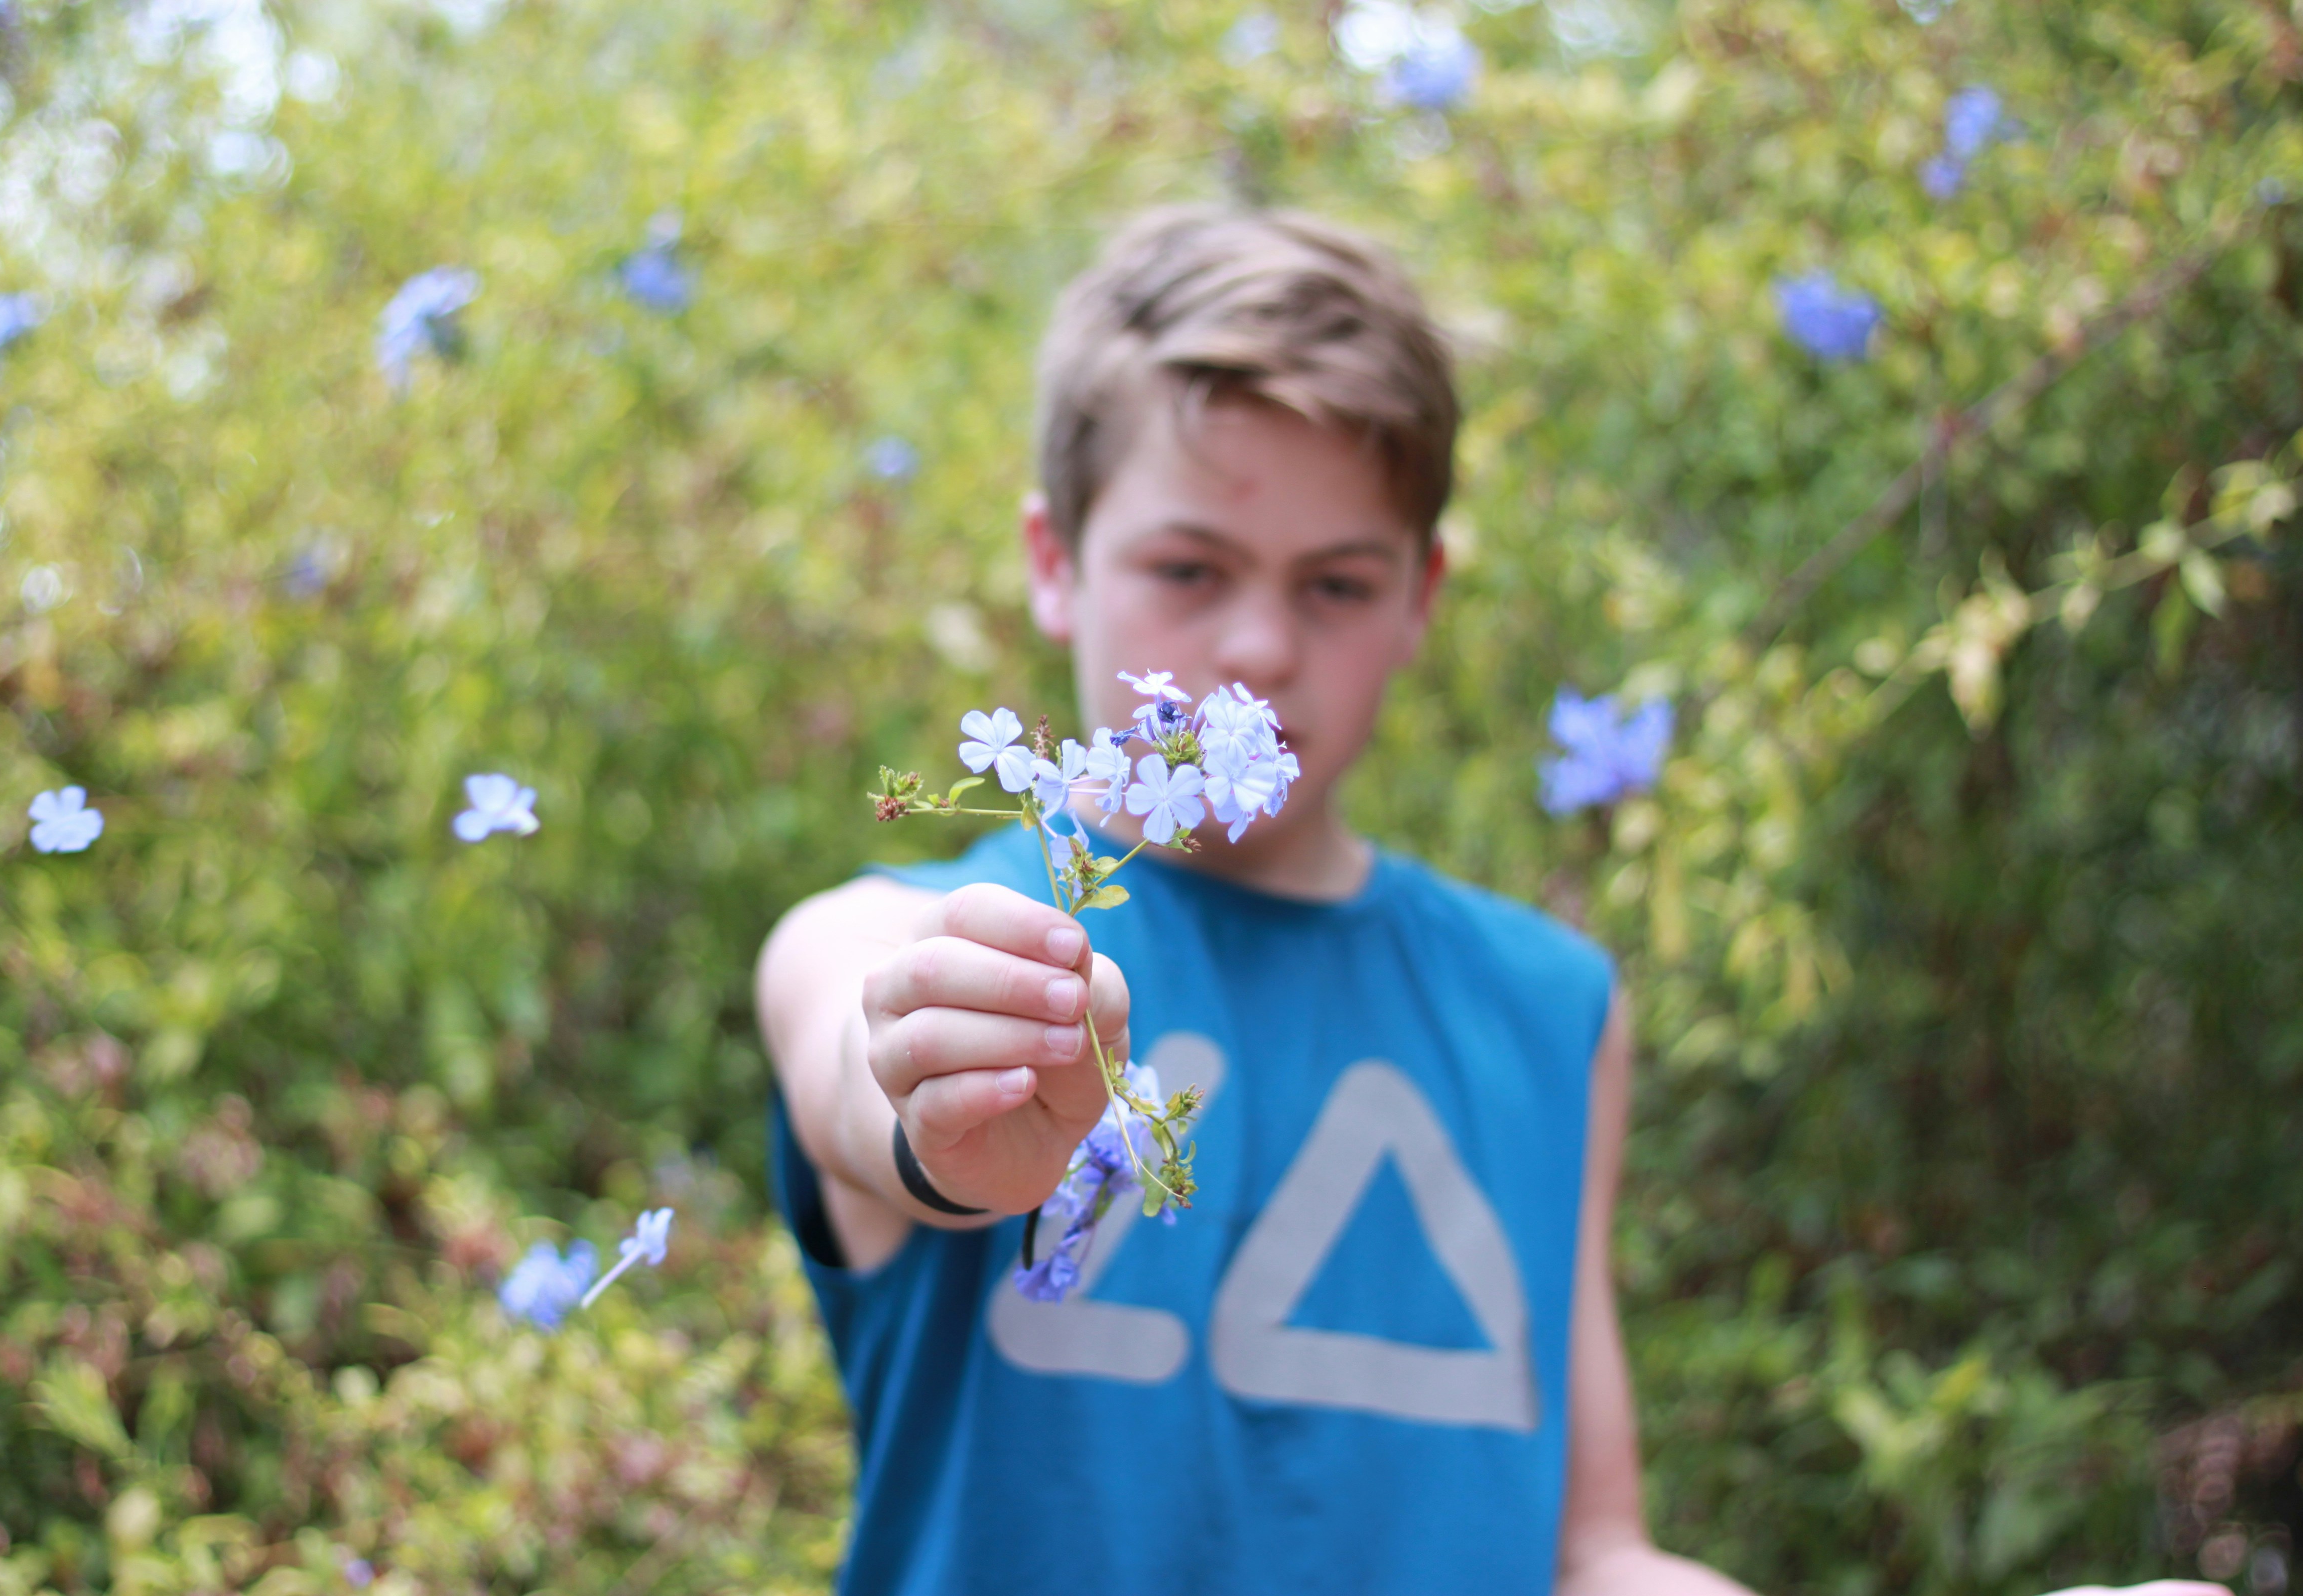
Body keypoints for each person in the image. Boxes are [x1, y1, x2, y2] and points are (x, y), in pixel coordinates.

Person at [753, 208, 2221, 1596]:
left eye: (1337, 584)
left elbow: (1592, 1557)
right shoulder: (884, 942)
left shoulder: (1549, 1008)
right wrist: (954, 1134)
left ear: (1423, 596)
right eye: (1189, 569)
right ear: (1054, 564)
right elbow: (867, 1078)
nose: (1260, 645)